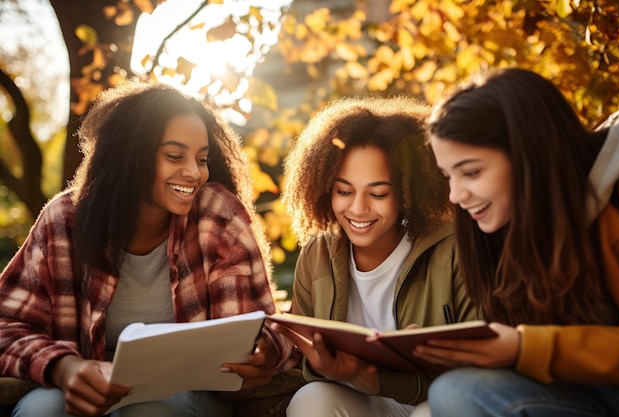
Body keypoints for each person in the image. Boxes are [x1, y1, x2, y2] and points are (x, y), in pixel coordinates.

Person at [0, 81, 298, 417]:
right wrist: (63, 367)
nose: (194, 172)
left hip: (187, 390)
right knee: (44, 409)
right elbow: (7, 325)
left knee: (152, 410)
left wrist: (262, 354)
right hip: (90, 378)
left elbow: (259, 326)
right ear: (129, 155)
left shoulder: (218, 217)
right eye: (174, 155)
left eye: (202, 158)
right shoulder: (64, 220)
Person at [415, 67, 619, 416]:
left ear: (532, 154)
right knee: (444, 398)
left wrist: (526, 348)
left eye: (471, 172)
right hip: (587, 396)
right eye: (448, 175)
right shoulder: (510, 225)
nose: (455, 195)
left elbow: (536, 349)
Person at [274, 96, 479, 417]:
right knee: (312, 399)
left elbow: (478, 374)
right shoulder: (317, 253)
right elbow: (309, 363)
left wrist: (381, 377)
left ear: (410, 191)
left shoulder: (455, 248)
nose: (357, 208)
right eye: (344, 191)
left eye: (379, 193)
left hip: (440, 403)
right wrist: (329, 368)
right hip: (365, 404)